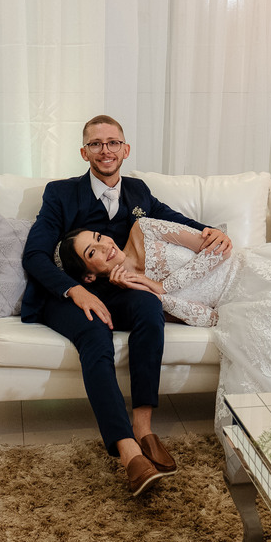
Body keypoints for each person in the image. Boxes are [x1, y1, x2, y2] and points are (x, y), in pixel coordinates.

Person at [21, 115, 232, 495]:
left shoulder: (138, 191)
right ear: (84, 152)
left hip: (120, 287)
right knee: (94, 334)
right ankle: (128, 451)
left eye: (113, 143)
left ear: (125, 149)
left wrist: (210, 231)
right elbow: (34, 254)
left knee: (149, 308)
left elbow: (171, 219)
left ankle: (144, 428)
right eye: (96, 144)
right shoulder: (60, 193)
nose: (106, 151)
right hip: (67, 292)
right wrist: (75, 291)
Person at [55, 217, 241, 328]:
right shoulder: (135, 298)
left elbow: (221, 250)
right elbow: (211, 319)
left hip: (243, 271)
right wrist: (158, 297)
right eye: (92, 252)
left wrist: (163, 286)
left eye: (99, 237)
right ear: (89, 277)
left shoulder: (143, 229)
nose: (105, 246)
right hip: (235, 307)